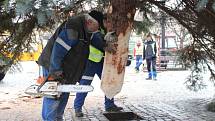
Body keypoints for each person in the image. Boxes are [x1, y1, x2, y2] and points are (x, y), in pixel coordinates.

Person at [37, 10, 116, 121]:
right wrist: (55, 73)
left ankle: (58, 118)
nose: (97, 30)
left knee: (63, 95)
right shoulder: (73, 28)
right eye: (97, 27)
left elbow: (94, 39)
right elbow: (57, 51)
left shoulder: (87, 29)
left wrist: (105, 46)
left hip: (65, 69)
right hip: (53, 66)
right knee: (53, 95)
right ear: (89, 22)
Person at [74, 14, 123, 117]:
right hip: (90, 62)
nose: (109, 24)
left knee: (108, 83)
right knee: (84, 85)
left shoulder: (104, 30)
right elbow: (100, 43)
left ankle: (109, 105)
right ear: (103, 21)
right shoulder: (95, 29)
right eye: (107, 22)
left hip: (101, 62)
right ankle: (77, 108)